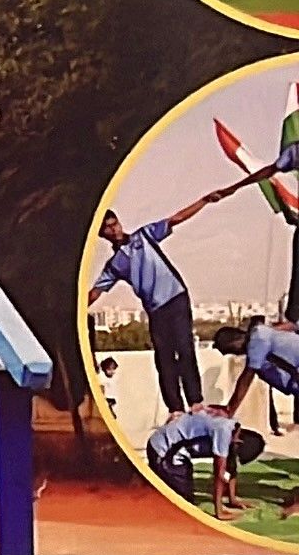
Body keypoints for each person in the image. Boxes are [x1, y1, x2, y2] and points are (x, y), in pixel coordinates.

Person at [93, 189, 246, 414]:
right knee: (164, 358)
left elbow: (176, 219)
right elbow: (96, 291)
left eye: (114, 224)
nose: (114, 230)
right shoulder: (115, 264)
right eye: (107, 228)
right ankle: (175, 408)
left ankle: (195, 401)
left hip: (176, 298)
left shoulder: (143, 236)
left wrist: (204, 201)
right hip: (156, 310)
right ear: (102, 234)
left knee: (185, 349)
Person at [142, 406, 262, 520]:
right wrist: (219, 511)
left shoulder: (233, 429)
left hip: (178, 454)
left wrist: (233, 500)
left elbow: (231, 467)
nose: (235, 454)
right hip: (163, 450)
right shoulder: (223, 431)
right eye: (237, 451)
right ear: (239, 442)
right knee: (180, 506)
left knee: (184, 497)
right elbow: (219, 474)